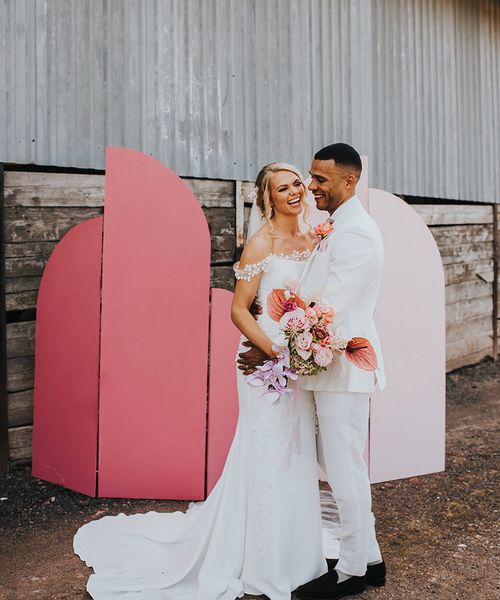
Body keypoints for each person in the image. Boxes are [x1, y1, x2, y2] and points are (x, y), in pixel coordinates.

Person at [73, 162, 327, 600]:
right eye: (282, 188)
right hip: (261, 362)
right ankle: (263, 560)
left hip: (300, 358)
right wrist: (273, 349)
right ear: (268, 198)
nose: (293, 193)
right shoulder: (261, 243)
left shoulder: (317, 234)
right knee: (266, 453)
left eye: (297, 185)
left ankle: (299, 553)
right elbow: (239, 310)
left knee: (297, 450)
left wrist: (309, 341)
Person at [238, 143, 387, 600]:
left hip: (341, 368)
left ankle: (351, 571)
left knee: (345, 470)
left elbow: (327, 312)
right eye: (309, 176)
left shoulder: (355, 233)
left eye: (320, 179)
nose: (311, 186)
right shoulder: (333, 227)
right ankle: (372, 559)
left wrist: (271, 353)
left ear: (349, 180)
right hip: (321, 368)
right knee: (340, 466)